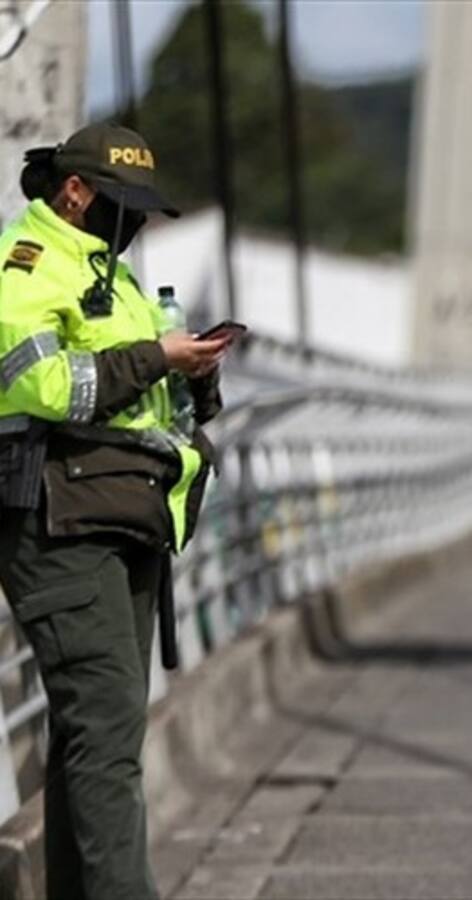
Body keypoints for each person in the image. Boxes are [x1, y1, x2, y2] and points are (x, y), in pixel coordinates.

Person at [0, 123, 231, 899]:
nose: (133, 224)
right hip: (58, 522)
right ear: (75, 193)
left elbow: (143, 399)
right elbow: (51, 388)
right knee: (106, 739)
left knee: (93, 734)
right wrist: (154, 358)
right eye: (122, 204)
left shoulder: (112, 275)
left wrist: (191, 373)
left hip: (121, 517)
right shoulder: (23, 268)